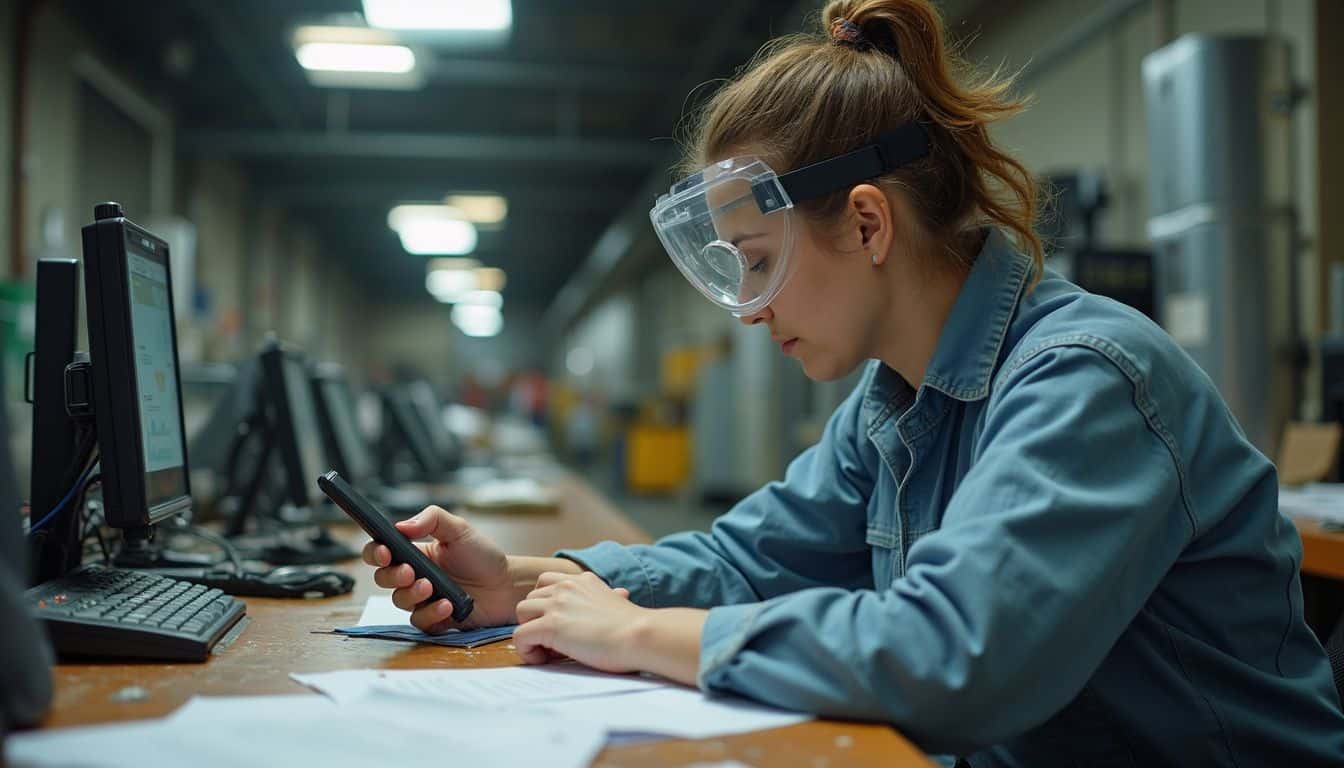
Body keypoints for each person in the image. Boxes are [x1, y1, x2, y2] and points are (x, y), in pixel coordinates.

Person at [362, 0, 1344, 763]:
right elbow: (753, 559)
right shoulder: (894, 403)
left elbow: (955, 660)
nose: (748, 308)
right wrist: (528, 584)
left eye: (756, 260)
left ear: (868, 224)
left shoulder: (1085, 381)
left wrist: (643, 636)